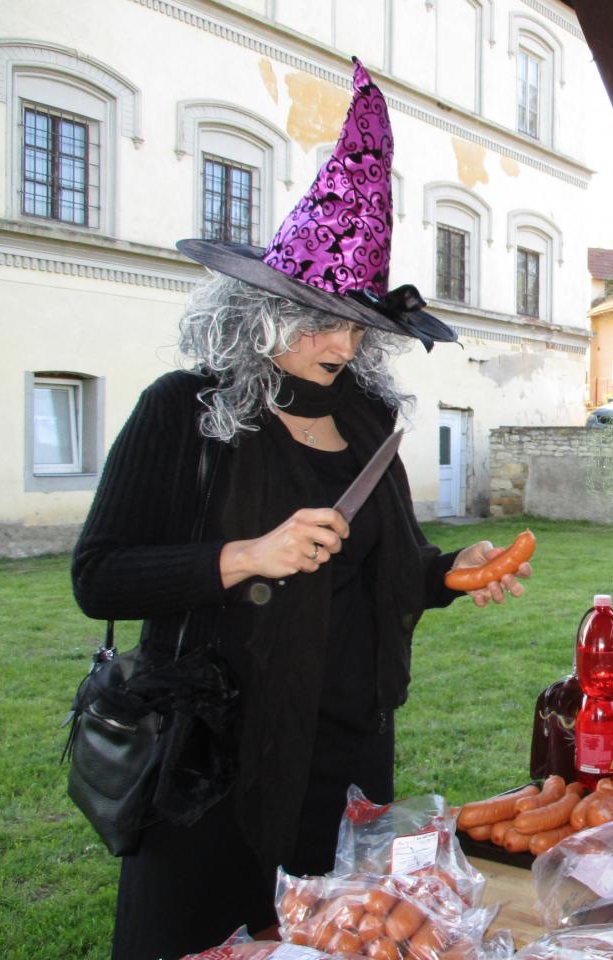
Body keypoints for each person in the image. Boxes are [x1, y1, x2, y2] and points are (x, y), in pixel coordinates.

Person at [71, 60, 529, 959]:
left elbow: (387, 564)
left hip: (345, 759)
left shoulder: (367, 423)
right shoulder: (184, 410)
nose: (340, 343)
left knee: (332, 938)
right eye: (316, 318)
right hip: (214, 765)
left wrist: (448, 573)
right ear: (258, 310)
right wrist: (245, 555)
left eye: (355, 322)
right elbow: (100, 576)